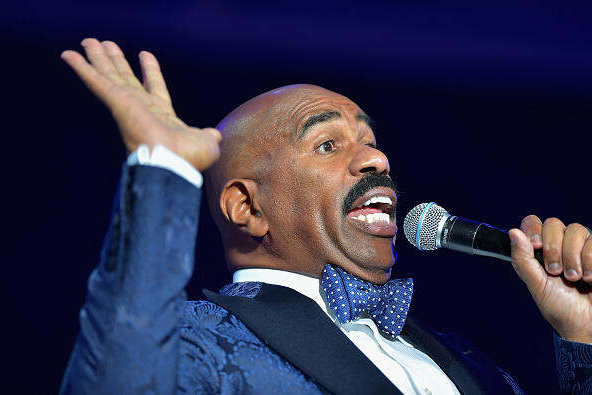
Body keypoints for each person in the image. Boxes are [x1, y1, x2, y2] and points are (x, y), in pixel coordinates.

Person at [59, 38, 592, 394]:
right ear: (248, 207)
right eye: (326, 144)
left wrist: (582, 336)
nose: (377, 159)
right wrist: (164, 172)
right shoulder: (194, 338)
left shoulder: (471, 363)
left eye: (370, 141)